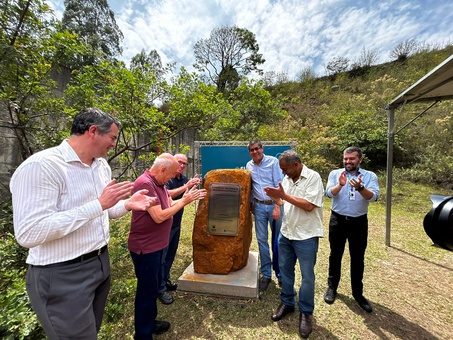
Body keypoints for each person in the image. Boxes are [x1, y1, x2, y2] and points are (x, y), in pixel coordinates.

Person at [9, 107, 155, 339]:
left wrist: (127, 204)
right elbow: (29, 233)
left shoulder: (100, 166)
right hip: (61, 274)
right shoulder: (43, 166)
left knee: (90, 333)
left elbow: (104, 210)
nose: (114, 144)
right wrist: (98, 205)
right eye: (113, 138)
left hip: (99, 263)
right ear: (93, 131)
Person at [128, 153, 206, 339]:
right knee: (146, 292)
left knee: (152, 287)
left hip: (156, 246)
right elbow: (159, 216)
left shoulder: (159, 183)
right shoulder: (145, 183)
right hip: (145, 248)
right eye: (171, 174)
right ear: (162, 169)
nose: (173, 177)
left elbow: (169, 202)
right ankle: (143, 334)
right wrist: (185, 201)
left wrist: (187, 198)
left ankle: (150, 322)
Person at [264, 150, 324, 339]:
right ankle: (287, 302)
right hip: (286, 233)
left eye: (285, 169)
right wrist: (277, 199)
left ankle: (306, 313)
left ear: (296, 164)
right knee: (286, 270)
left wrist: (284, 196)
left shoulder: (313, 177)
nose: (283, 173)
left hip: (306, 235)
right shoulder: (288, 179)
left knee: (307, 276)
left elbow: (308, 205)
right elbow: (285, 202)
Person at [323, 146, 380, 313]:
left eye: (352, 159)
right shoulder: (335, 174)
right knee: (335, 254)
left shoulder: (369, 176)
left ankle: (358, 293)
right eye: (346, 159)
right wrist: (340, 186)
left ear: (360, 160)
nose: (348, 162)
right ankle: (332, 288)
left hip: (358, 222)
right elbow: (328, 193)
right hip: (337, 220)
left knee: (357, 257)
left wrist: (361, 188)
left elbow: (374, 197)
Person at [157, 153, 201, 304]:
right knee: (161, 258)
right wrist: (186, 187)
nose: (182, 166)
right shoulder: (166, 178)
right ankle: (160, 289)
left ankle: (165, 280)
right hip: (165, 224)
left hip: (177, 223)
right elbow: (167, 194)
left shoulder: (183, 179)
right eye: (179, 162)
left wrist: (191, 186)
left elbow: (185, 195)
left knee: (170, 255)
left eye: (184, 164)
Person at [246, 140, 283, 291]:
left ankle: (280, 275)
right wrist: (251, 204)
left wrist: (277, 206)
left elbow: (279, 185)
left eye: (257, 149)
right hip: (259, 207)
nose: (255, 152)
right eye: (252, 150)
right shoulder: (249, 165)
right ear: (249, 152)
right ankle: (266, 274)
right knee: (262, 241)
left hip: (274, 206)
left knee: (279, 241)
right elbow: (250, 186)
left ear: (262, 148)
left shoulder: (273, 162)